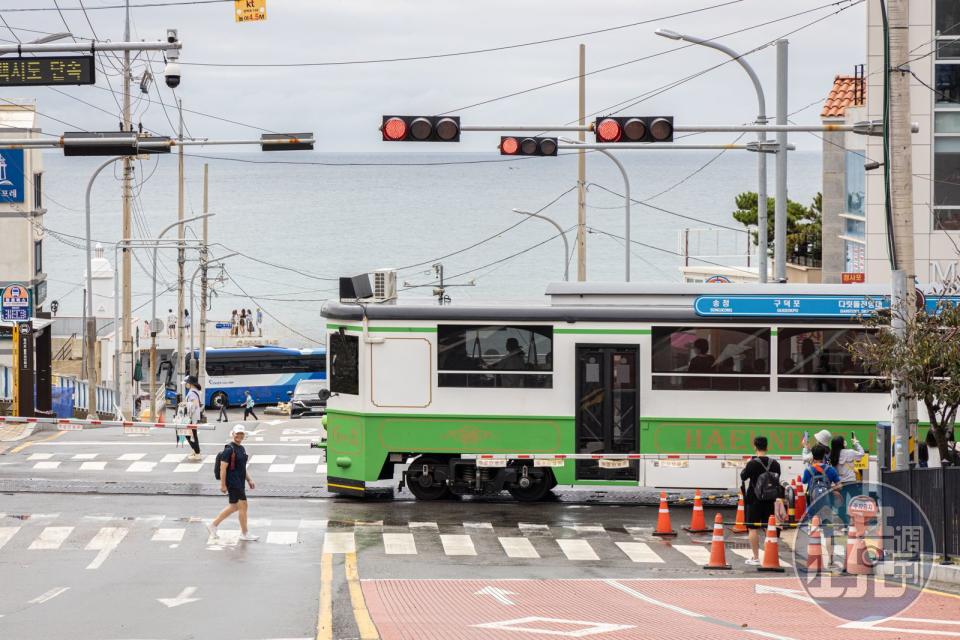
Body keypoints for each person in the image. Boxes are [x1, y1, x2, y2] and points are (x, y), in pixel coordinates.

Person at [207, 424, 258, 542]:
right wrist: (223, 485)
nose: (239, 436)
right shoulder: (229, 449)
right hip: (233, 482)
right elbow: (223, 469)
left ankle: (213, 525)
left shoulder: (241, 448)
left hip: (239, 481)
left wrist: (249, 479)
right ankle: (244, 533)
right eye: (237, 434)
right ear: (232, 434)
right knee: (243, 506)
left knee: (234, 506)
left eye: (241, 434)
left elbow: (242, 468)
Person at [739, 436, 782, 565]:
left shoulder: (752, 463)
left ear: (755, 447)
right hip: (770, 499)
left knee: (752, 528)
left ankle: (756, 557)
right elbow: (777, 479)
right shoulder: (775, 464)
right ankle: (770, 554)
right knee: (768, 527)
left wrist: (746, 464)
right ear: (767, 447)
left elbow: (743, 476)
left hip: (754, 499)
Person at [182, 376, 203, 461]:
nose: (185, 385)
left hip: (191, 417)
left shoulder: (192, 393)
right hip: (193, 417)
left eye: (186, 383)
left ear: (190, 384)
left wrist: (185, 405)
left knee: (189, 435)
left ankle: (197, 453)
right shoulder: (195, 391)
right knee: (191, 434)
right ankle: (195, 451)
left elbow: (193, 405)